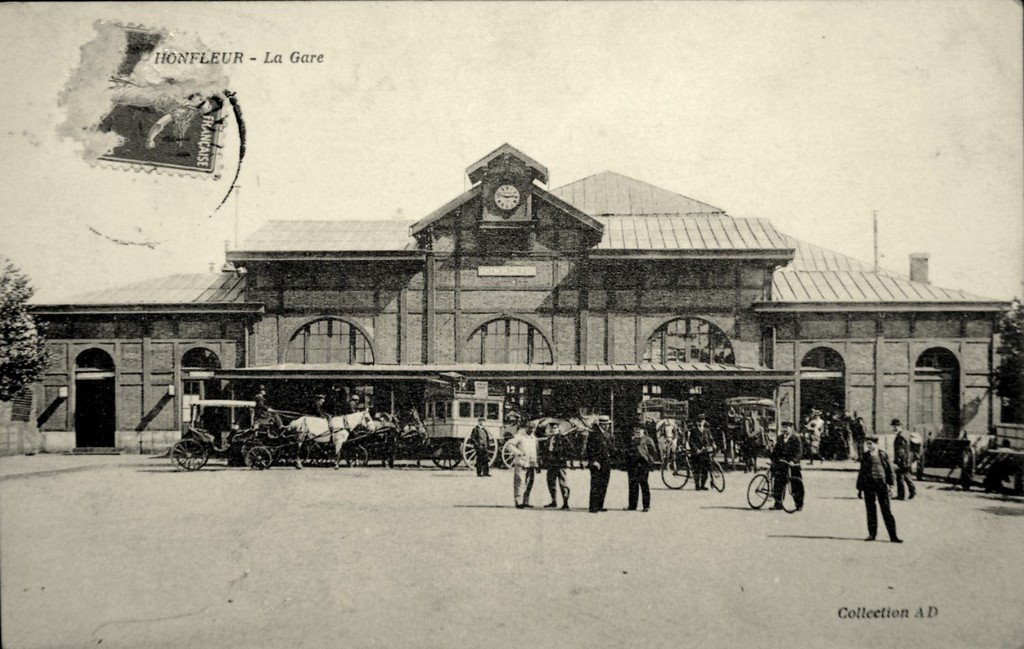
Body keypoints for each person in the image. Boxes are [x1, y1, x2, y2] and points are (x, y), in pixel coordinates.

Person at [856, 435, 902, 543]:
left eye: (870, 443)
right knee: (871, 510)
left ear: (876, 444)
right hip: (869, 485)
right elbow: (862, 472)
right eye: (867, 444)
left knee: (886, 510)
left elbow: (889, 470)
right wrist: (860, 488)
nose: (868, 446)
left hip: (881, 484)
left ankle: (893, 536)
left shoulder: (883, 454)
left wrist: (891, 485)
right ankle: (872, 534)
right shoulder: (865, 456)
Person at [770, 421, 804, 510]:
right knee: (778, 483)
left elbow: (799, 452)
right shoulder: (780, 438)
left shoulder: (796, 438)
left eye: (787, 427)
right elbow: (776, 450)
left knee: (796, 485)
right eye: (784, 427)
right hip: (782, 464)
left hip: (793, 465)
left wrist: (794, 460)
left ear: (791, 429)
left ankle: (799, 504)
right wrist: (773, 459)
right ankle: (778, 503)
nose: (785, 430)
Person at [585, 415, 613, 513]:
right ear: (602, 424)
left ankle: (600, 505)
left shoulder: (607, 434)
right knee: (595, 485)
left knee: (604, 484)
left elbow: (610, 448)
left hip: (606, 463)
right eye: (606, 424)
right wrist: (593, 460)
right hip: (597, 463)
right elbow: (590, 449)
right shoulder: (594, 434)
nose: (608, 426)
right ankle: (593, 506)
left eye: (608, 424)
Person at [625, 425, 657, 512]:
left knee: (644, 485)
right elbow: (627, 452)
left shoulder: (648, 440)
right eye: (636, 430)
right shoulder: (632, 440)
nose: (638, 431)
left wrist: (649, 460)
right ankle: (632, 505)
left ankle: (646, 506)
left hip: (643, 465)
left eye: (640, 430)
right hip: (632, 465)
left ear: (644, 431)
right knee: (632, 485)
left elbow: (653, 452)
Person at [507, 426, 538, 509]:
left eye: (533, 428)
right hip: (521, 462)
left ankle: (526, 501)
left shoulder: (534, 438)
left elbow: (536, 450)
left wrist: (537, 462)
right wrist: (518, 452)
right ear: (526, 428)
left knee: (529, 482)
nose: (531, 430)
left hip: (531, 463)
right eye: (530, 428)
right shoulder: (519, 437)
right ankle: (518, 502)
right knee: (519, 482)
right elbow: (509, 445)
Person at [544, 422, 571, 510]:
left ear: (558, 428)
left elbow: (570, 449)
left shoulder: (563, 438)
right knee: (551, 482)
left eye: (555, 428)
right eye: (551, 428)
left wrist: (562, 456)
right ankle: (553, 501)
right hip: (551, 464)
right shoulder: (549, 438)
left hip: (560, 463)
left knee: (563, 483)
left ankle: (565, 503)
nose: (553, 430)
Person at [891, 419, 916, 500]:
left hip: (903, 460)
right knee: (907, 475)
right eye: (893, 426)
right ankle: (912, 491)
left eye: (896, 426)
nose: (894, 428)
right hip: (908, 459)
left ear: (900, 426)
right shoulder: (907, 433)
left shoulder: (900, 436)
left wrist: (898, 460)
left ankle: (901, 495)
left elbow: (901, 450)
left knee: (899, 476)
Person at [689, 413, 715, 491]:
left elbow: (711, 438)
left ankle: (703, 485)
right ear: (697, 422)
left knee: (705, 470)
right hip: (697, 453)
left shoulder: (707, 430)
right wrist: (696, 450)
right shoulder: (693, 430)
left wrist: (713, 444)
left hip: (705, 452)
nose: (701, 422)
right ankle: (697, 485)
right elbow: (691, 441)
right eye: (699, 420)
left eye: (702, 420)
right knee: (697, 470)